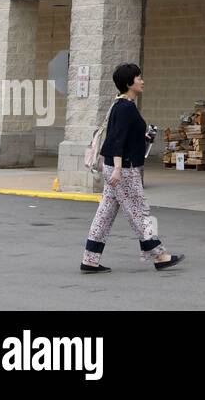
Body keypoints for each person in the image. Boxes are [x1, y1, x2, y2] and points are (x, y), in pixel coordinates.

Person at [80, 64, 185, 273]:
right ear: (129, 83)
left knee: (104, 215)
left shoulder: (119, 105)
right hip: (124, 169)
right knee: (141, 213)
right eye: (139, 77)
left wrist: (145, 138)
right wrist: (118, 168)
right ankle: (159, 255)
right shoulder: (127, 108)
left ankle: (90, 259)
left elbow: (119, 137)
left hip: (115, 167)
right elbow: (117, 140)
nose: (142, 80)